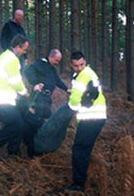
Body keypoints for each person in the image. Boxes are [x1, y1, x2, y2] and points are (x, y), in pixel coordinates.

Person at [62, 51, 107, 192]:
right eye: (76, 66)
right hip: (94, 118)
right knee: (84, 150)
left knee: (79, 150)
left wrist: (71, 107)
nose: (79, 68)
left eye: (81, 64)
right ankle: (85, 180)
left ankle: (78, 185)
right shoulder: (88, 73)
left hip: (92, 118)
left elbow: (75, 100)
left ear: (85, 61)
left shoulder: (83, 75)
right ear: (71, 64)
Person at [0, 34, 29, 161]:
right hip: (2, 100)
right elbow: (15, 82)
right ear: (18, 47)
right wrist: (24, 92)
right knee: (17, 124)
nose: (25, 52)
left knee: (16, 121)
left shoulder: (4, 55)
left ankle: (13, 151)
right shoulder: (12, 60)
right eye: (24, 49)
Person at [24, 49, 69, 119]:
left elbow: (57, 80)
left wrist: (66, 89)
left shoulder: (52, 68)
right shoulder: (40, 63)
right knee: (37, 118)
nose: (57, 63)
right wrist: (35, 83)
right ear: (51, 57)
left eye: (58, 61)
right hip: (39, 96)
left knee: (46, 117)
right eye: (56, 60)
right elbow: (28, 71)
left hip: (47, 98)